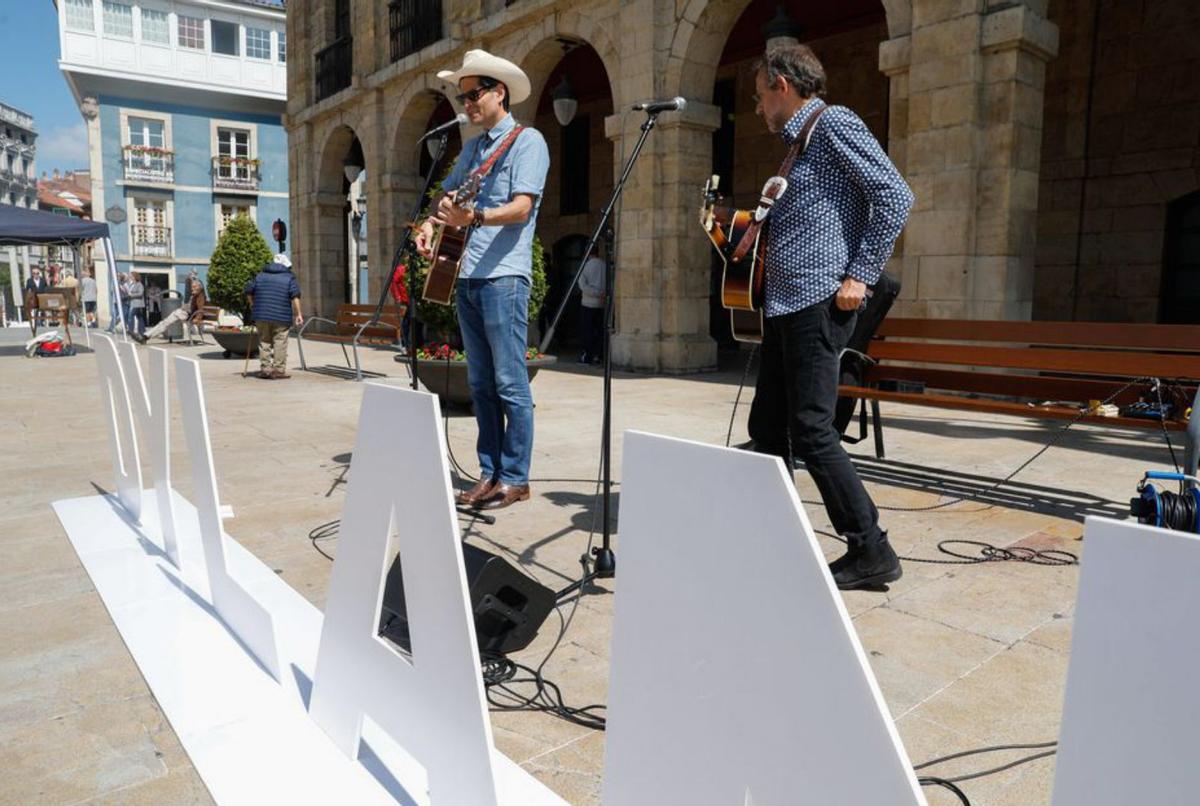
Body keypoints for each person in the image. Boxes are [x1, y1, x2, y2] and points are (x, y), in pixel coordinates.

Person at [746, 45, 914, 591]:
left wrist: (861, 274)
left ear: (781, 84)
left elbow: (894, 194)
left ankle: (871, 549)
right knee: (767, 428)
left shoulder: (832, 123)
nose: (757, 109)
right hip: (784, 305)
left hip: (819, 301)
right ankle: (770, 531)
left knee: (813, 431)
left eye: (758, 96)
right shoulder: (798, 147)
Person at [415, 49, 550, 511]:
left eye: (473, 95)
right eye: (462, 96)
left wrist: (474, 216)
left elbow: (523, 207)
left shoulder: (528, 142)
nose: (466, 104)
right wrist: (434, 221)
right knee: (480, 384)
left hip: (504, 277)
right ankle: (489, 473)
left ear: (500, 93)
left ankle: (516, 477)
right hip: (467, 275)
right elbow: (447, 194)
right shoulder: (473, 148)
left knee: (511, 381)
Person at [244, 253, 303, 379]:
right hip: (281, 316)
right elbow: (295, 296)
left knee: (264, 341)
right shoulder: (289, 277)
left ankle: (265, 369)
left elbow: (248, 290)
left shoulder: (260, 276)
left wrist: (253, 305)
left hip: (261, 314)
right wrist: (299, 314)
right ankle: (278, 370)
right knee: (280, 342)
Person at [132, 278, 206, 344]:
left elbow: (200, 308)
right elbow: (188, 287)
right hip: (182, 312)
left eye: (194, 287)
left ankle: (145, 336)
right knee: (164, 323)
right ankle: (145, 336)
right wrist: (189, 280)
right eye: (192, 287)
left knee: (165, 323)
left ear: (199, 287)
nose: (192, 288)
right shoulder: (195, 294)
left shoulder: (200, 295)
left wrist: (198, 318)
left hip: (184, 314)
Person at [577, 244, 605, 365]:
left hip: (588, 303)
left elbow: (582, 284)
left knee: (587, 331)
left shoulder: (586, 265)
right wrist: (601, 294)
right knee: (599, 331)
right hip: (602, 303)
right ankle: (598, 356)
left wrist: (595, 293)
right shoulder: (605, 265)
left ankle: (587, 356)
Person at [127, 271, 146, 336]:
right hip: (132, 303)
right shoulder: (132, 284)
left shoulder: (139, 284)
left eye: (131, 276)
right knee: (139, 317)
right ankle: (142, 331)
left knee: (130, 316)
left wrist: (132, 295)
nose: (130, 277)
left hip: (137, 304)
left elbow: (140, 293)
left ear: (135, 277)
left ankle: (131, 330)